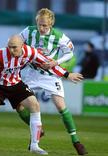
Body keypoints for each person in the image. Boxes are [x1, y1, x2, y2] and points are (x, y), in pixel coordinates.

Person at [0, 35, 83, 155]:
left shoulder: (30, 52)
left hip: (16, 84)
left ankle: (34, 145)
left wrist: (67, 75)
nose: (11, 50)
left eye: (14, 48)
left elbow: (47, 64)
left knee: (35, 105)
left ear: (22, 46)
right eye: (9, 47)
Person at [16, 8, 88, 155]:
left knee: (61, 107)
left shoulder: (59, 36)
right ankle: (38, 131)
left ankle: (76, 141)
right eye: (40, 25)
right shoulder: (28, 31)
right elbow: (16, 45)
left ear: (51, 24)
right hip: (31, 74)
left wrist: (57, 62)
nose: (42, 28)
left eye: (45, 26)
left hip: (50, 75)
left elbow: (70, 52)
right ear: (36, 22)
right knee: (18, 104)